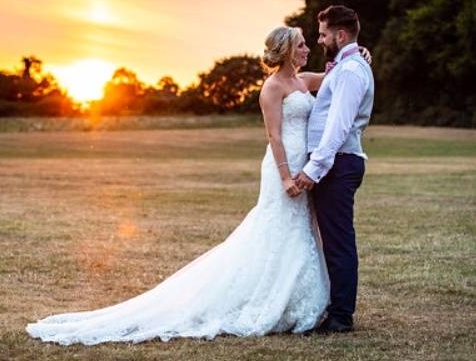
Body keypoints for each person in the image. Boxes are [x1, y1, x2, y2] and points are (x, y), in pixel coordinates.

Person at [26, 24, 365, 345]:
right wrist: (286, 176)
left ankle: (296, 299)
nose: (308, 48)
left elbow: (337, 75)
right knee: (277, 228)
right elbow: (273, 134)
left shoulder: (305, 81)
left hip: (305, 165)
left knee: (302, 231)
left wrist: (359, 52)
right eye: (302, 44)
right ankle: (260, 298)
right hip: (283, 167)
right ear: (288, 50)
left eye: (309, 42)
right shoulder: (272, 88)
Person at [294, 5, 374, 334]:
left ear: (340, 35)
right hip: (335, 163)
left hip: (337, 164)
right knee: (331, 239)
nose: (320, 39)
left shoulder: (351, 71)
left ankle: (341, 316)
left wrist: (314, 169)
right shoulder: (344, 67)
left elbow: (338, 128)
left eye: (324, 34)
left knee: (339, 241)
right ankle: (333, 307)